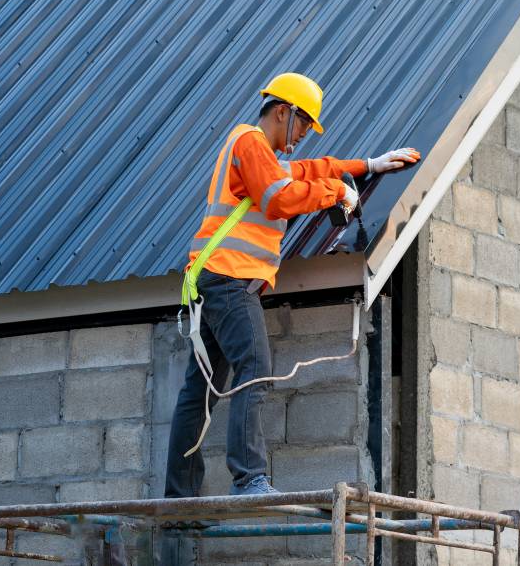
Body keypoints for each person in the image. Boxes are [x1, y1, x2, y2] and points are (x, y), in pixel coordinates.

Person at [164, 72, 420, 498]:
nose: (303, 134)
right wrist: (335, 193)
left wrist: (367, 166)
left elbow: (310, 168)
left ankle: (177, 499)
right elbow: (279, 198)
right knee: (255, 371)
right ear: (282, 111)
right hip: (230, 280)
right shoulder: (249, 142)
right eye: (303, 124)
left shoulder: (260, 154)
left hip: (213, 280)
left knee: (199, 390)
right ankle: (249, 479)